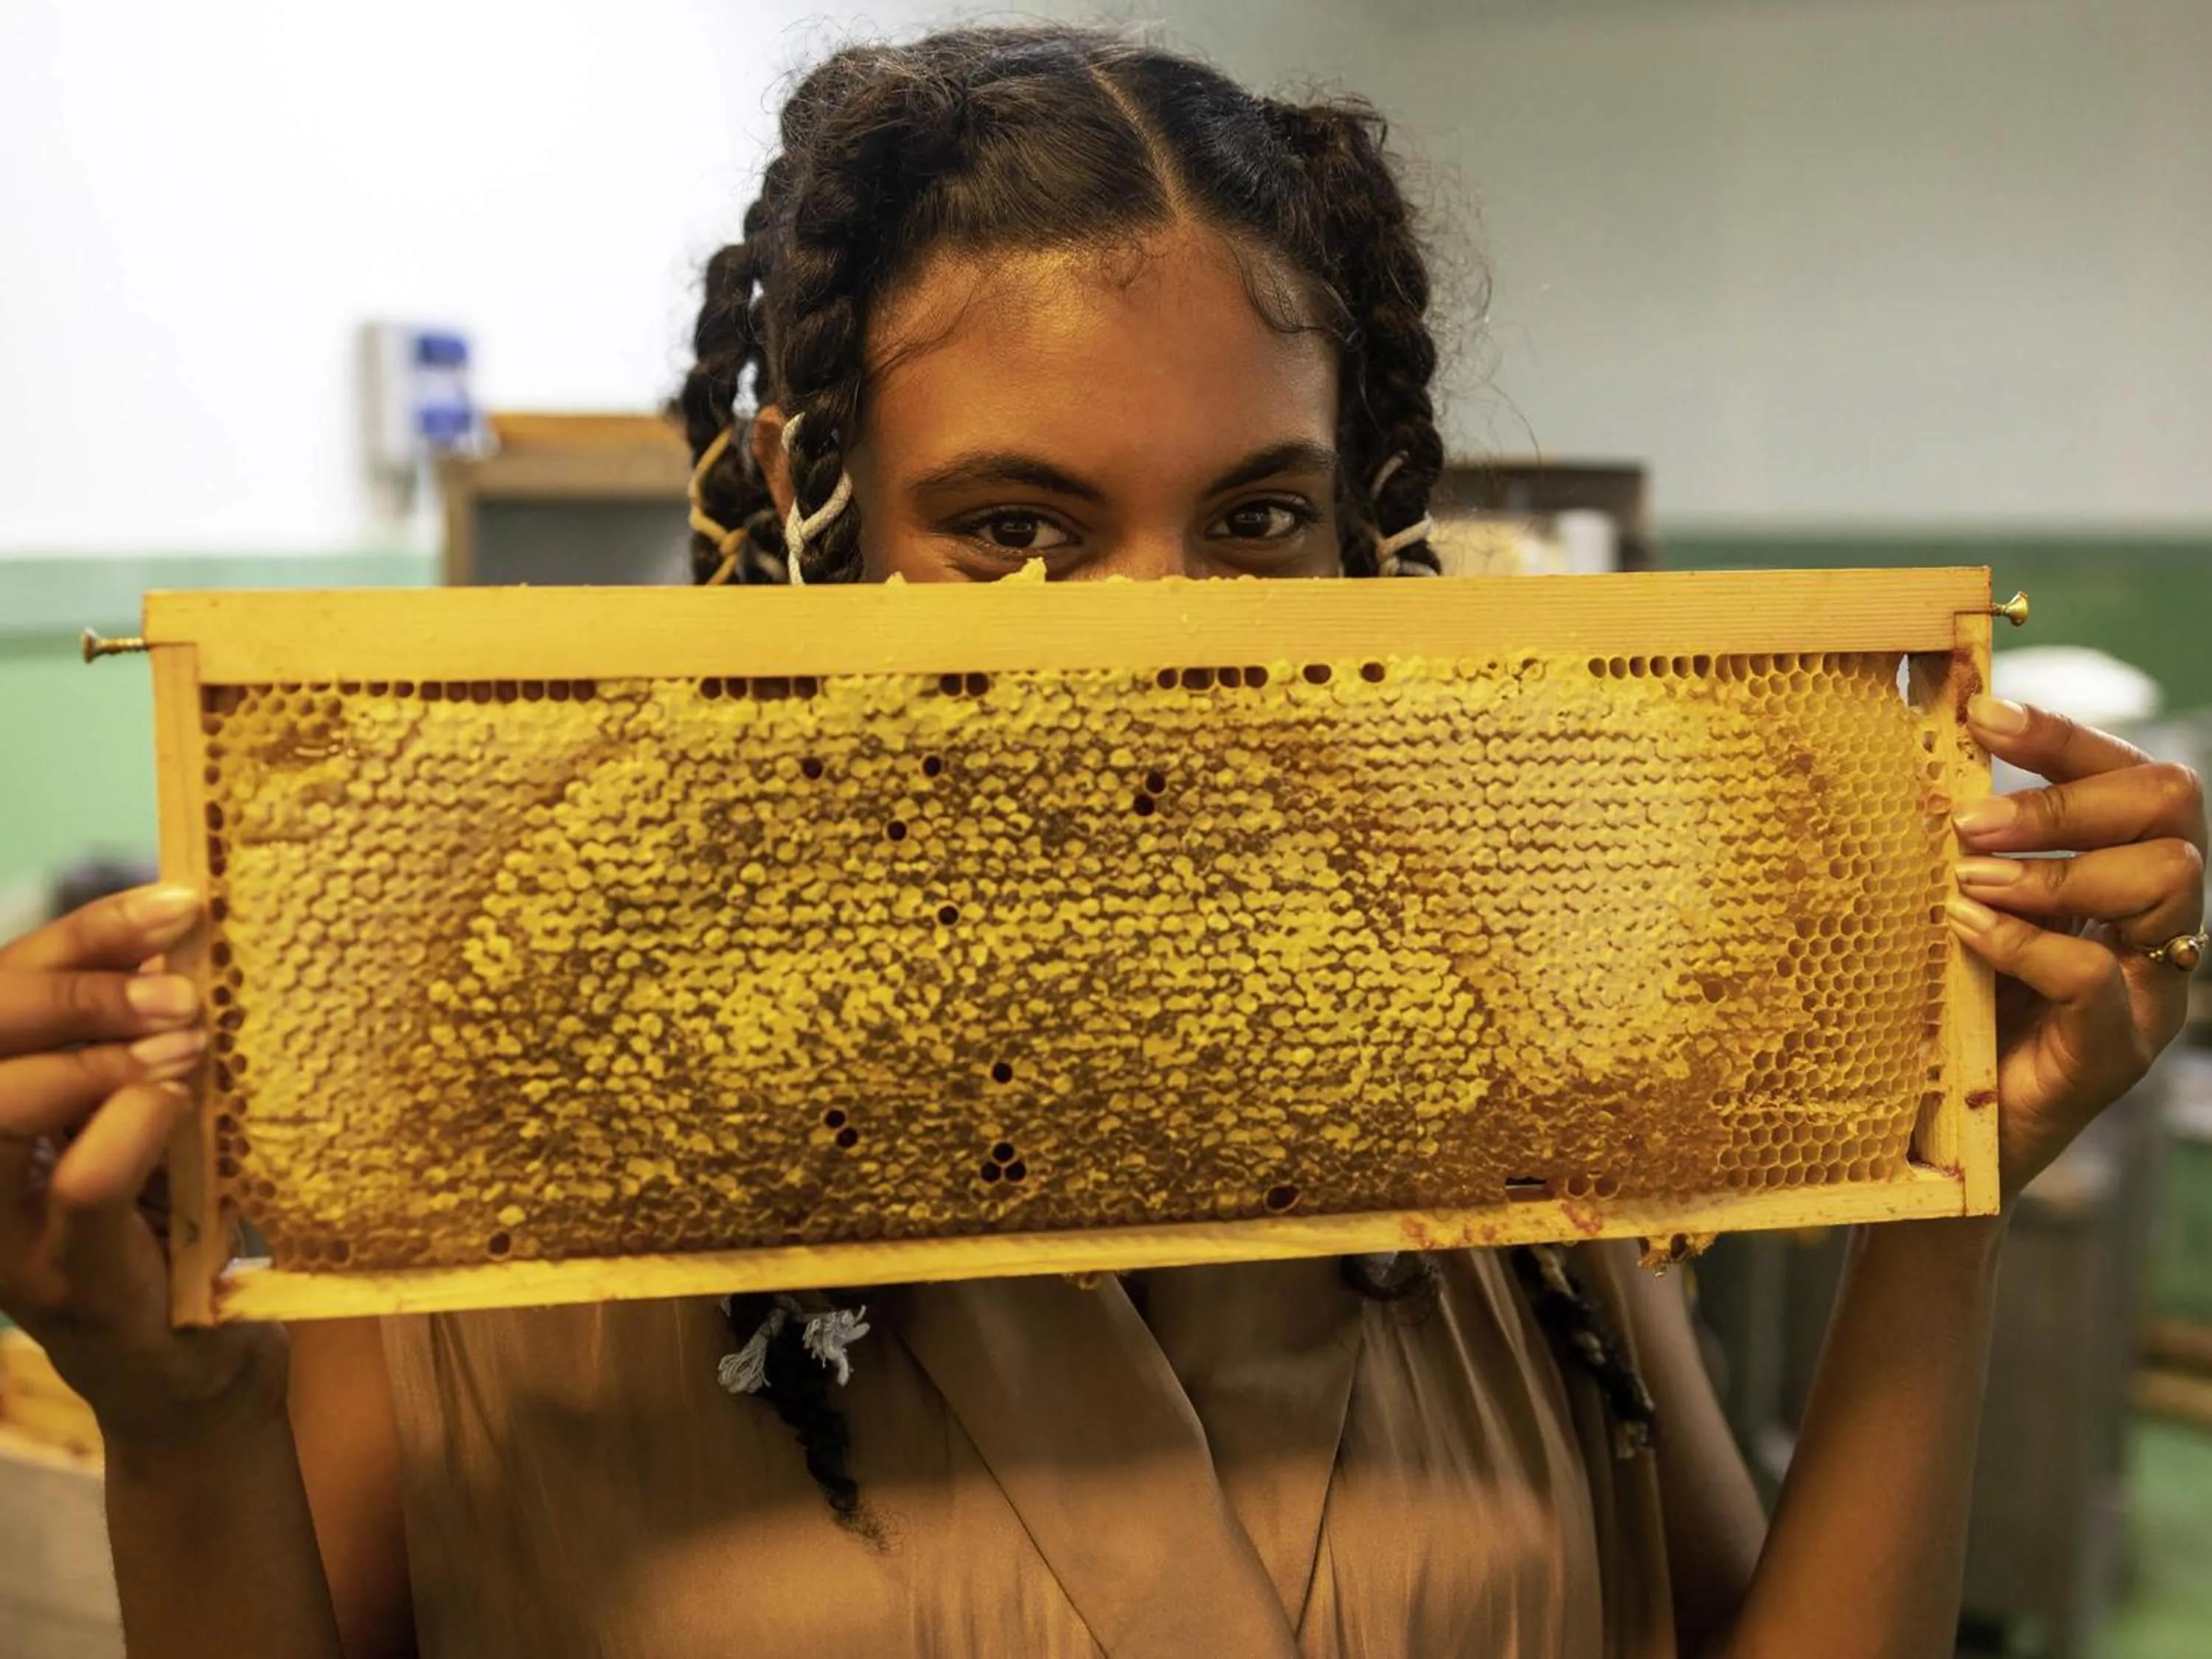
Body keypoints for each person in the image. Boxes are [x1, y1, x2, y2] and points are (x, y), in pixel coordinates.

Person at [0, 24, 2203, 1659]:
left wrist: (1952, 1200)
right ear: (810, 511)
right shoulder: (485, 1160)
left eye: (1258, 518)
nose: (1166, 641)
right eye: (1020, 528)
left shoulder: (1509, 1117)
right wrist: (183, 1422)